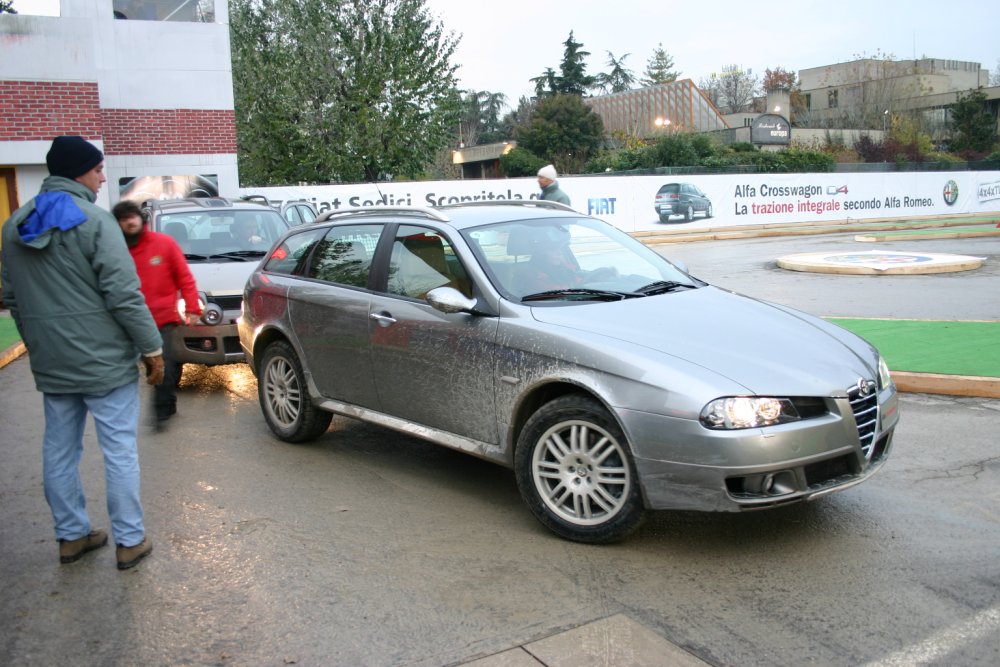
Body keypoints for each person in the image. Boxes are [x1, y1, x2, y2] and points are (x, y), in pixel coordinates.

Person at [1, 136, 163, 570]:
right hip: (105, 363)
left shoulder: (14, 226)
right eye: (97, 170)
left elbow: (11, 297)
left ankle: (71, 536)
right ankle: (129, 540)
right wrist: (152, 348)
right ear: (78, 172)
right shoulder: (94, 221)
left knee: (58, 450)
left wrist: (38, 345)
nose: (103, 176)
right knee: (119, 450)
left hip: (53, 363)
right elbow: (124, 295)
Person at [112, 200, 201, 426]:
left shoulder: (164, 244)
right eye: (123, 219)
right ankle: (166, 400)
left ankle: (161, 411)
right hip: (129, 322)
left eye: (132, 217)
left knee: (164, 364)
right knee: (148, 366)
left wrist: (192, 308)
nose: (129, 222)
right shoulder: (115, 250)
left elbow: (185, 277)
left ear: (141, 219)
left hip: (162, 320)